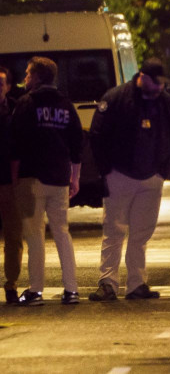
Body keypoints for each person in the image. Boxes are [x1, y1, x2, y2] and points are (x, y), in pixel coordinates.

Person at [88, 58, 170, 302]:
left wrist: (162, 173)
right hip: (119, 174)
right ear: (142, 76)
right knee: (114, 231)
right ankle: (108, 283)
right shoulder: (116, 98)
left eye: (162, 84)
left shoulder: (165, 102)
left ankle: (137, 284)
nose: (159, 88)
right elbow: (97, 135)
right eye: (155, 83)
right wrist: (106, 171)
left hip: (151, 177)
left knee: (141, 234)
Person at [9, 57, 83, 306]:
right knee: (62, 232)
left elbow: (16, 145)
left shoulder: (26, 104)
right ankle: (71, 289)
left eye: (29, 74)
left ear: (38, 77)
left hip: (31, 180)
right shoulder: (66, 105)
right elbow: (77, 144)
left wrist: (14, 178)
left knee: (34, 235)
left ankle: (35, 290)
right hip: (59, 178)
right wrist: (75, 178)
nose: (26, 78)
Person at [0, 65, 23, 304]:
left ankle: (11, 284)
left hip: (10, 181)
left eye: (0, 83)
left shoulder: (16, 110)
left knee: (13, 236)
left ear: (7, 86)